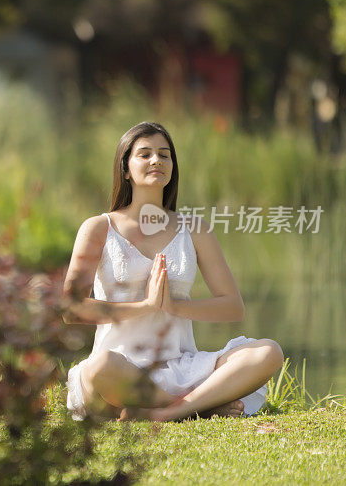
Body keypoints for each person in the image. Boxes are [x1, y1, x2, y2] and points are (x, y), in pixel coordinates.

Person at [62, 121, 284, 422]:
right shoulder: (100, 228)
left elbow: (233, 306)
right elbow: (71, 308)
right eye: (145, 154)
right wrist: (145, 306)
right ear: (125, 168)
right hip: (121, 368)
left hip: (182, 366)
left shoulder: (194, 230)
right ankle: (203, 407)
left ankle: (173, 410)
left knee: (268, 352)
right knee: (99, 368)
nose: (156, 160)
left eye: (164, 155)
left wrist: (177, 306)